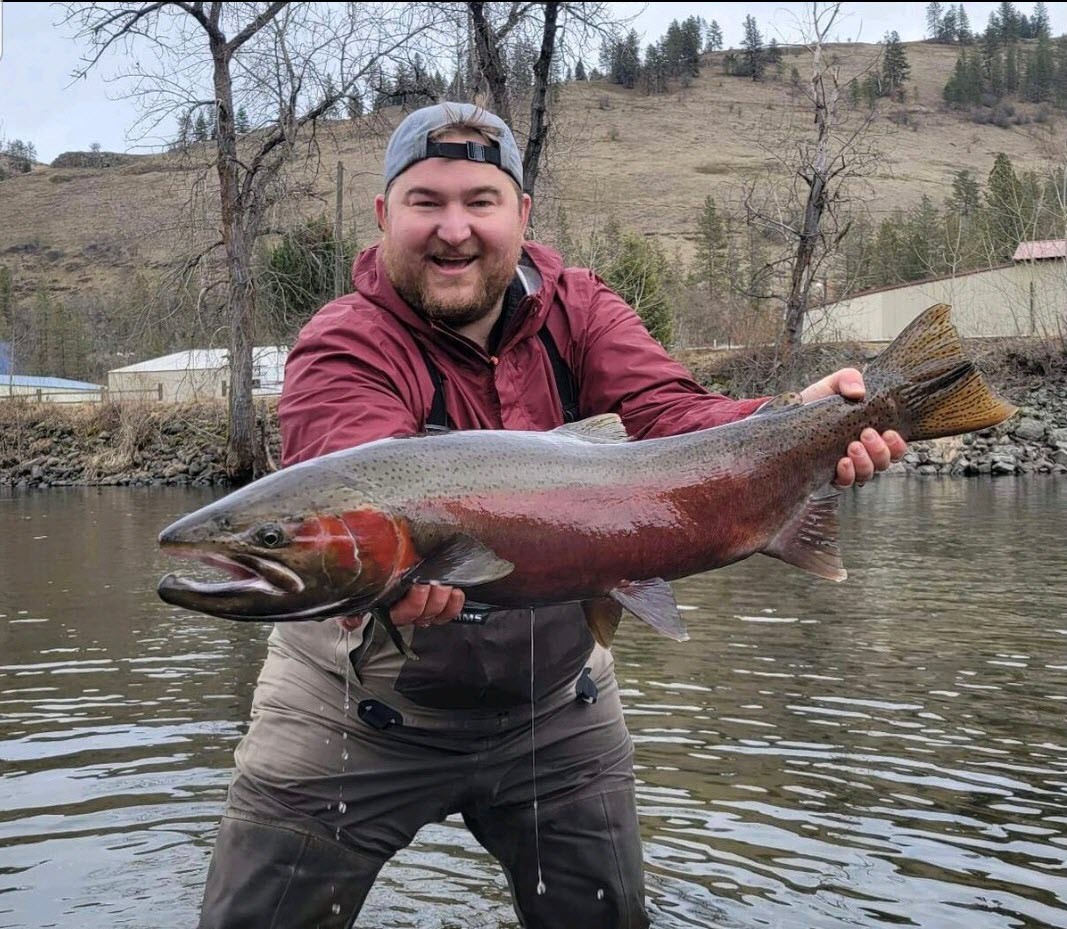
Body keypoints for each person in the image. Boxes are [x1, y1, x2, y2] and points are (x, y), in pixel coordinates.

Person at [197, 103, 906, 929]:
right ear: (386, 215)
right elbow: (356, 472)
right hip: (352, 712)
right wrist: (390, 569)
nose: (453, 229)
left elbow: (674, 417)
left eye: (480, 202)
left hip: (557, 709)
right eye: (426, 202)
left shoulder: (580, 308)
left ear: (521, 216)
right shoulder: (343, 341)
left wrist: (793, 419)